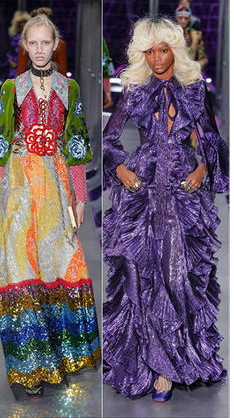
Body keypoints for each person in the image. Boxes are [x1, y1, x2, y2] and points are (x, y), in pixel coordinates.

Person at [102, 17, 227, 403]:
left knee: (177, 274)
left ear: (175, 49)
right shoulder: (135, 90)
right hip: (142, 188)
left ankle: (169, 365)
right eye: (150, 51)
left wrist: (203, 169)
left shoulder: (194, 89)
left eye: (164, 49)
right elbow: (108, 139)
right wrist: (121, 170)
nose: (157, 58)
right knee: (142, 274)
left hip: (182, 191)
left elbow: (210, 138)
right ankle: (150, 361)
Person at [0, 14, 100, 398]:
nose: (38, 49)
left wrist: (79, 198)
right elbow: (0, 145)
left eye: (45, 42)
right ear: (24, 46)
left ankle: (59, 357)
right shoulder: (12, 89)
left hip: (55, 186)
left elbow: (76, 147)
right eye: (32, 43)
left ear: (55, 44)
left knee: (57, 265)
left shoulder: (69, 89)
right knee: (21, 268)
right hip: (18, 188)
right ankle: (30, 367)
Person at [16, 7, 67, 76]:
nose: (39, 50)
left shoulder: (60, 44)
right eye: (37, 20)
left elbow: (62, 69)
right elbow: (21, 68)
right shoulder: (25, 44)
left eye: (46, 43)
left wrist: (62, 82)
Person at [6, 11, 31, 80]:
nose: (22, 24)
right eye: (21, 22)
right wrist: (10, 60)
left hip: (28, 67)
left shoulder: (31, 37)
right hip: (15, 67)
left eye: (24, 22)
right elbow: (8, 51)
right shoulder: (13, 37)